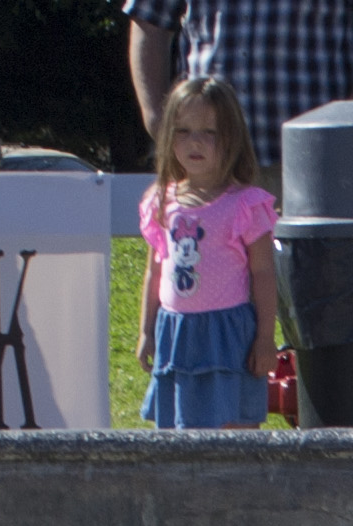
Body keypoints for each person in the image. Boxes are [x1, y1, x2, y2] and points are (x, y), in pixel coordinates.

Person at [125, 0, 353, 184]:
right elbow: (149, 21)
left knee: (311, 264)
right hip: (209, 164)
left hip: (315, 164)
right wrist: (157, 119)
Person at [140, 75, 280, 428]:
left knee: (233, 430)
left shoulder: (245, 204)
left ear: (231, 137)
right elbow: (155, 271)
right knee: (179, 432)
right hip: (176, 335)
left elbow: (263, 273)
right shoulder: (161, 201)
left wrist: (265, 338)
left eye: (209, 132)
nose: (195, 142)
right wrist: (146, 331)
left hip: (227, 336)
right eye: (183, 131)